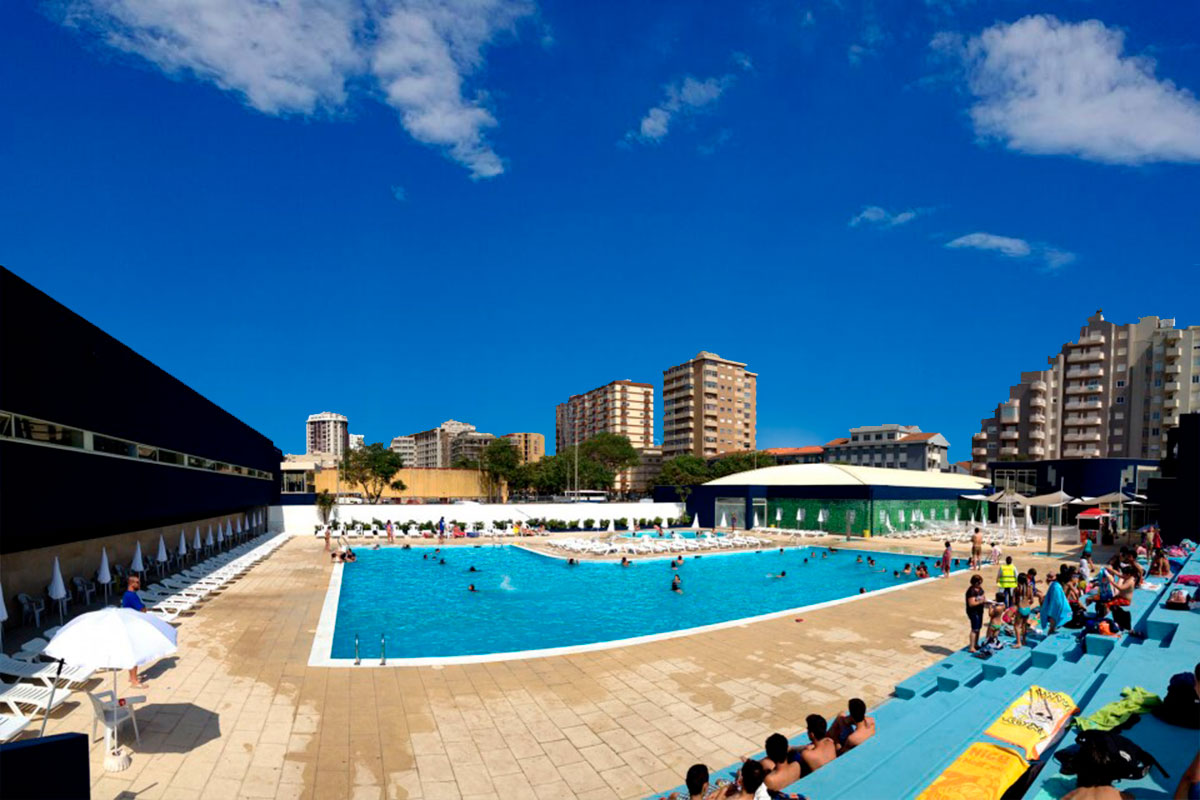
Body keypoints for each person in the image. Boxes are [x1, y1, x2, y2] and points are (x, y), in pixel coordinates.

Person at [121, 576, 149, 687]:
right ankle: (134, 681)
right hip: (132, 625)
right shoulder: (131, 596)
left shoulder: (128, 594)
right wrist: (144, 609)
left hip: (130, 623)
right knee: (134, 653)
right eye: (137, 582)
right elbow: (141, 609)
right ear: (131, 583)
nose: (139, 584)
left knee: (132, 651)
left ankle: (132, 677)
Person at [1013, 573, 1036, 648]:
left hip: (1020, 608)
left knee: (1016, 626)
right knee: (1024, 625)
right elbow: (1032, 600)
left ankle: (1019, 643)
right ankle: (1024, 640)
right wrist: (1027, 604)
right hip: (1027, 608)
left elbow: (1014, 602)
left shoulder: (1016, 589)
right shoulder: (1029, 588)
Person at [966, 574, 987, 652]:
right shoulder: (971, 591)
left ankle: (976, 644)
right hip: (973, 611)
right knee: (974, 629)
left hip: (979, 610)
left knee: (978, 628)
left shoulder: (980, 589)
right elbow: (971, 604)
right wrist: (980, 601)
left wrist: (985, 601)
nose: (980, 585)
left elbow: (983, 596)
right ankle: (971, 646)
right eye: (979, 583)